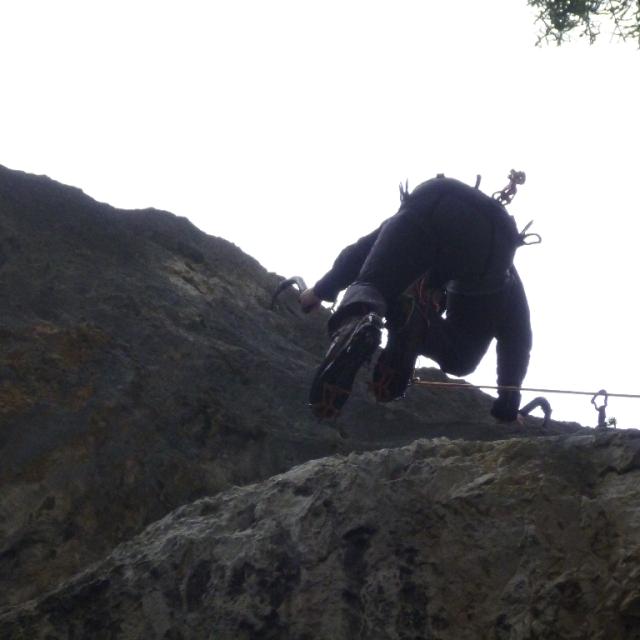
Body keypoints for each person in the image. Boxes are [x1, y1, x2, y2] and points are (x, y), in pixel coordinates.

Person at [300, 174, 532, 422]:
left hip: (433, 201)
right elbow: (518, 333)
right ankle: (416, 325)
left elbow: (360, 252)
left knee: (373, 285)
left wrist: (319, 291)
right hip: (495, 243)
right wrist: (509, 397)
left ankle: (360, 314)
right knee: (461, 356)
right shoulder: (506, 273)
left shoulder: (412, 220)